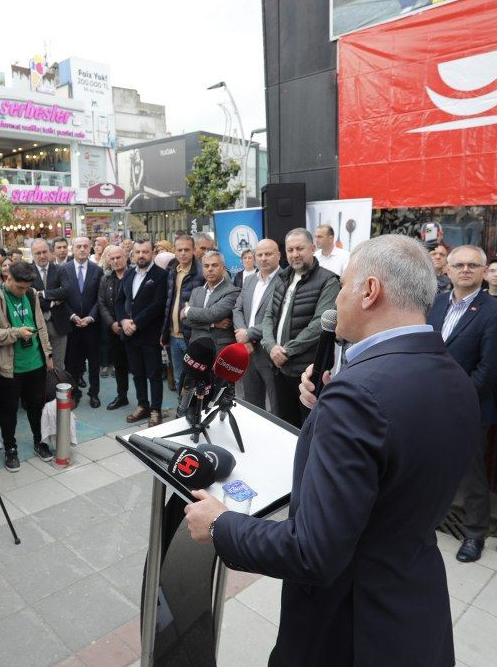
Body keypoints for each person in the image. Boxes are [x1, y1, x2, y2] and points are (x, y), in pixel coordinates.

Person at [184, 235, 478, 667]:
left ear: (369, 291)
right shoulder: (452, 375)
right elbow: (398, 460)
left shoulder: (358, 396)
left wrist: (220, 525)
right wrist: (327, 412)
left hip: (347, 629)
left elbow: (312, 552)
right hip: (413, 610)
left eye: (343, 287)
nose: (336, 300)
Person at [427, 245, 497, 563]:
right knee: (431, 467)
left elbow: (489, 372)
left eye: (473, 265)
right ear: (447, 270)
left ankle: (475, 534)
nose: (465, 269)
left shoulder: (496, 313)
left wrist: (454, 404)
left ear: (483, 271)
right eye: (459, 264)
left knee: (471, 474)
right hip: (429, 404)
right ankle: (427, 519)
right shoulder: (434, 304)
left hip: (469, 409)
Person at [261, 228, 341, 426]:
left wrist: (286, 350)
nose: (295, 254)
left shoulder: (328, 280)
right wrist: (271, 347)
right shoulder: (282, 278)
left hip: (307, 372)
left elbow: (319, 324)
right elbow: (268, 316)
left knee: (308, 428)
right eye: (290, 250)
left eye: (300, 248)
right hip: (279, 368)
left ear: (313, 248)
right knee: (283, 424)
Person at [0, 261, 55, 471]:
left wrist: (48, 353)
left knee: (35, 406)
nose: (23, 291)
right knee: (9, 410)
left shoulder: (31, 294)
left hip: (36, 362)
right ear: (8, 278)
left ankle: (39, 441)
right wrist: (16, 333)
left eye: (26, 288)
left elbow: (40, 325)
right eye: (19, 287)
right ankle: (10, 449)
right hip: (8, 366)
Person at [115, 239, 169, 427]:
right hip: (130, 334)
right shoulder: (129, 273)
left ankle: (156, 410)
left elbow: (157, 305)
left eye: (145, 252)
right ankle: (142, 405)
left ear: (152, 252)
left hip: (149, 334)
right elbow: (120, 300)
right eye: (137, 252)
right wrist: (123, 321)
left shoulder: (161, 275)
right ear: (133, 254)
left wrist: (135, 324)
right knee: (137, 373)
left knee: (153, 374)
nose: (141, 255)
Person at [232, 238, 281, 410]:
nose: (263, 258)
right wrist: (244, 336)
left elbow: (278, 317)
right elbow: (237, 308)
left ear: (278, 256)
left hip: (270, 351)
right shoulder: (250, 280)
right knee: (253, 404)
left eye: (268, 254)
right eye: (259, 254)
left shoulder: (285, 281)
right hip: (247, 351)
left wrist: (249, 334)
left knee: (278, 405)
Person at [63, 237, 103, 407]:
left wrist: (91, 317)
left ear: (90, 249)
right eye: (78, 246)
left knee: (94, 362)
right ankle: (75, 393)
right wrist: (72, 316)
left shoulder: (97, 270)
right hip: (71, 324)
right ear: (73, 248)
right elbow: (61, 298)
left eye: (85, 246)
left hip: (91, 325)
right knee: (71, 362)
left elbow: (99, 299)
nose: (82, 249)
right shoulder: (63, 270)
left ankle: (94, 393)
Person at [162, 235, 205, 389]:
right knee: (180, 381)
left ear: (194, 250)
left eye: (187, 249)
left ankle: (197, 413)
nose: (183, 253)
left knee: (196, 380)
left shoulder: (202, 272)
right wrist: (164, 333)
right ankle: (184, 412)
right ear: (174, 251)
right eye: (179, 250)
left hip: (192, 336)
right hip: (173, 336)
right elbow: (169, 302)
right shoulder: (172, 270)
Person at [182, 250, 240, 352]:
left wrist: (187, 310)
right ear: (202, 270)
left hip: (218, 349)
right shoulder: (196, 291)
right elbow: (186, 321)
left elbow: (212, 314)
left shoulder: (232, 292)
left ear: (223, 268)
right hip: (196, 347)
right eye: (206, 266)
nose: (210, 269)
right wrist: (213, 325)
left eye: (214, 265)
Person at [98, 246, 131, 411]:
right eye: (112, 259)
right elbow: (102, 303)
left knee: (139, 368)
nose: (116, 261)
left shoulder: (135, 276)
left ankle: (143, 402)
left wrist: (129, 322)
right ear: (108, 261)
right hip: (114, 329)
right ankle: (122, 396)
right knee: (119, 365)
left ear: (125, 257)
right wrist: (112, 323)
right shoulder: (106, 279)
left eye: (119, 257)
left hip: (133, 328)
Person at [31, 238, 68, 371]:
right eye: (38, 253)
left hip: (59, 325)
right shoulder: (28, 272)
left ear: (50, 251)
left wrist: (42, 294)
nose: (42, 256)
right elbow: (30, 298)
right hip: (36, 327)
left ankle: (57, 391)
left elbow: (66, 291)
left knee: (58, 366)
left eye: (44, 252)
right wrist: (53, 302)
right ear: (32, 254)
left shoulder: (60, 270)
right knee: (40, 366)